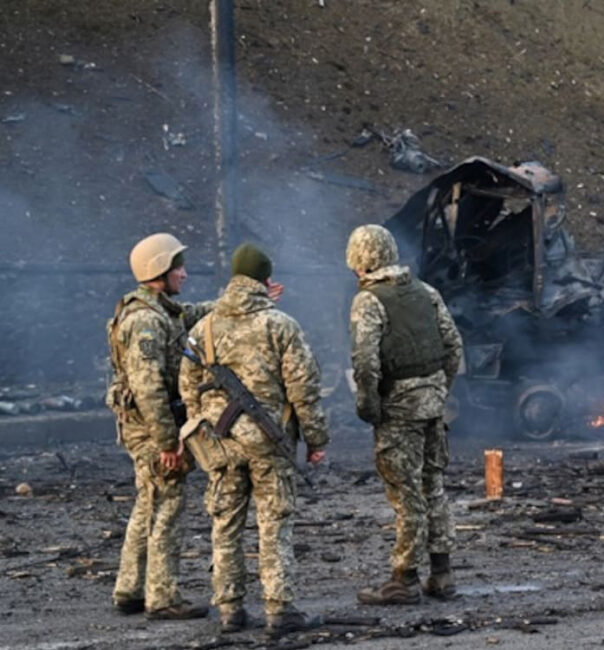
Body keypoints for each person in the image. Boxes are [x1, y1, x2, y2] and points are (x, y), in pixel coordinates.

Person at [178, 243, 328, 635]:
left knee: (225, 524)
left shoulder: (203, 328)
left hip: (220, 445)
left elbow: (187, 387)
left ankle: (229, 609)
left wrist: (203, 426)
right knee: (274, 524)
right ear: (265, 280)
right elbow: (304, 389)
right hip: (269, 445)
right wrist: (315, 440)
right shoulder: (281, 326)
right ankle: (279, 609)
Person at [345, 224, 463, 605]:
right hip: (433, 406)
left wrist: (370, 407)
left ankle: (404, 578)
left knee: (406, 492)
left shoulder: (369, 301)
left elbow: (365, 363)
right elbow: (453, 346)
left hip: (399, 411)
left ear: (358, 262)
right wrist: (438, 390)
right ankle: (442, 574)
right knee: (434, 486)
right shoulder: (426, 292)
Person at [105, 232, 212, 620]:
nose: (184, 274)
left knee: (148, 502)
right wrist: (168, 441)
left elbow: (195, 312)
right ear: (160, 271)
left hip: (149, 425)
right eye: (177, 267)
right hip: (153, 428)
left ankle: (130, 590)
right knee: (167, 505)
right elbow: (148, 388)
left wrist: (244, 299)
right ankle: (163, 598)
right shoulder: (147, 322)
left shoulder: (158, 310)